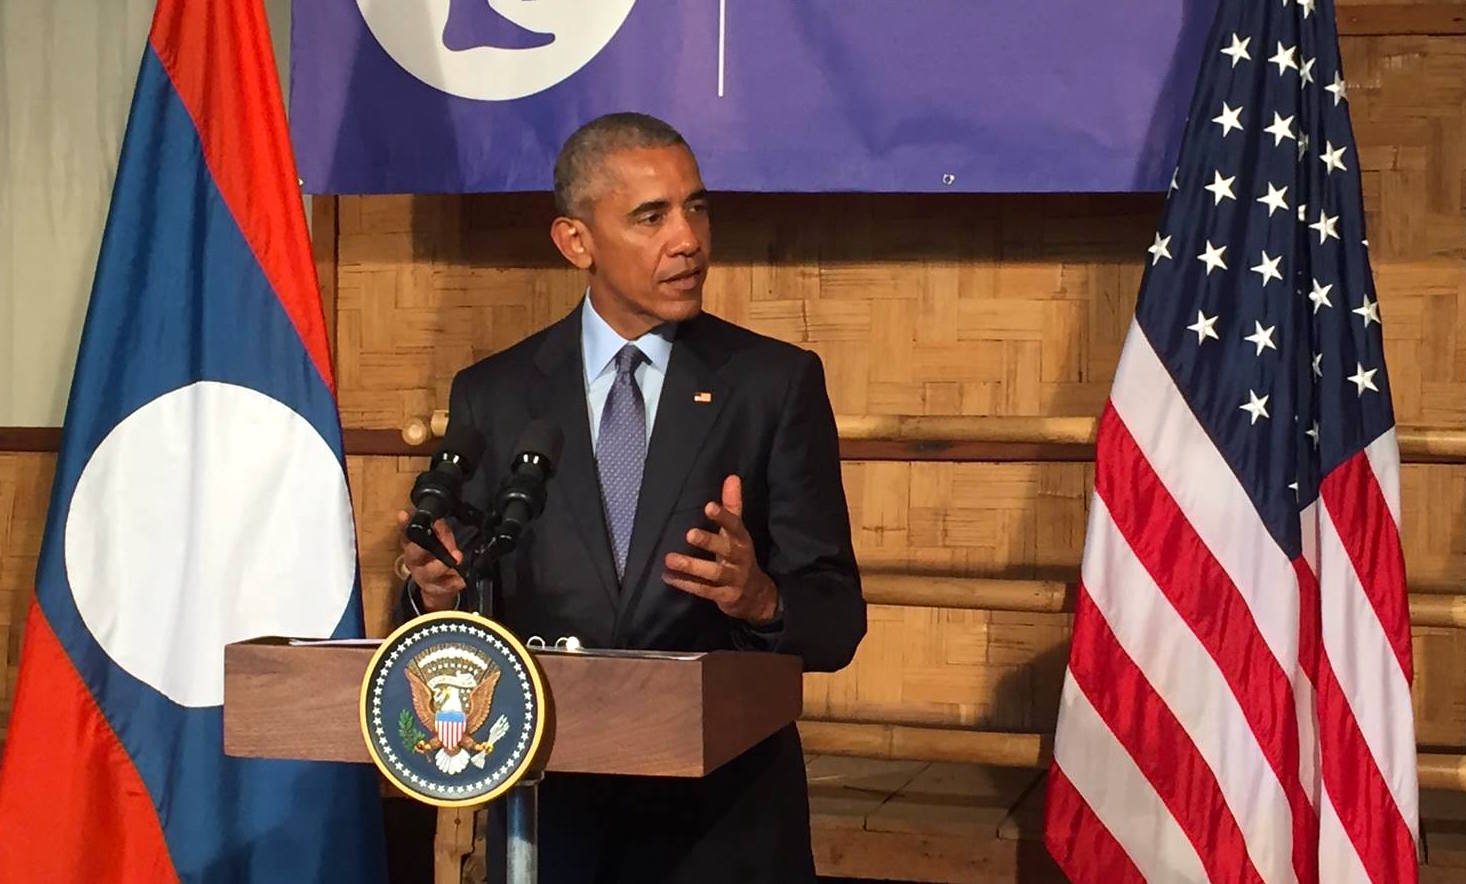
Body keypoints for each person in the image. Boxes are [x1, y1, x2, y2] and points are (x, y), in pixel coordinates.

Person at [397, 112, 865, 883]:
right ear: (575, 241)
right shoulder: (495, 394)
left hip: (727, 832)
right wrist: (434, 595)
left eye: (697, 208)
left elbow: (838, 619)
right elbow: (459, 624)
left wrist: (760, 599)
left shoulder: (772, 385)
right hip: (551, 823)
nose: (688, 240)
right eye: (652, 217)